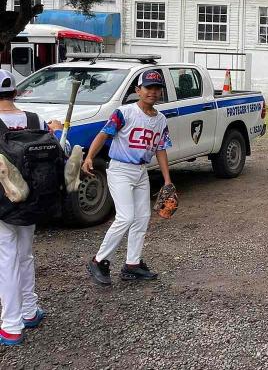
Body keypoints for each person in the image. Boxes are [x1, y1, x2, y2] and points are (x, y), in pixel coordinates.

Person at [0, 69, 77, 345]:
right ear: (16, 93)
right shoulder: (36, 119)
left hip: (4, 204)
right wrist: (55, 131)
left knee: (6, 260)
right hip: (35, 199)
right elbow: (58, 150)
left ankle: (11, 326)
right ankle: (29, 311)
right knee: (25, 255)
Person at [84, 69, 173, 285]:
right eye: (148, 87)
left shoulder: (160, 119)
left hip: (141, 171)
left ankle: (132, 264)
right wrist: (89, 158)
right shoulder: (124, 112)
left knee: (142, 217)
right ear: (138, 90)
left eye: (157, 88)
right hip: (120, 169)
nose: (152, 92)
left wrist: (168, 180)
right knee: (126, 217)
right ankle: (99, 260)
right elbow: (104, 134)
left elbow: (160, 149)